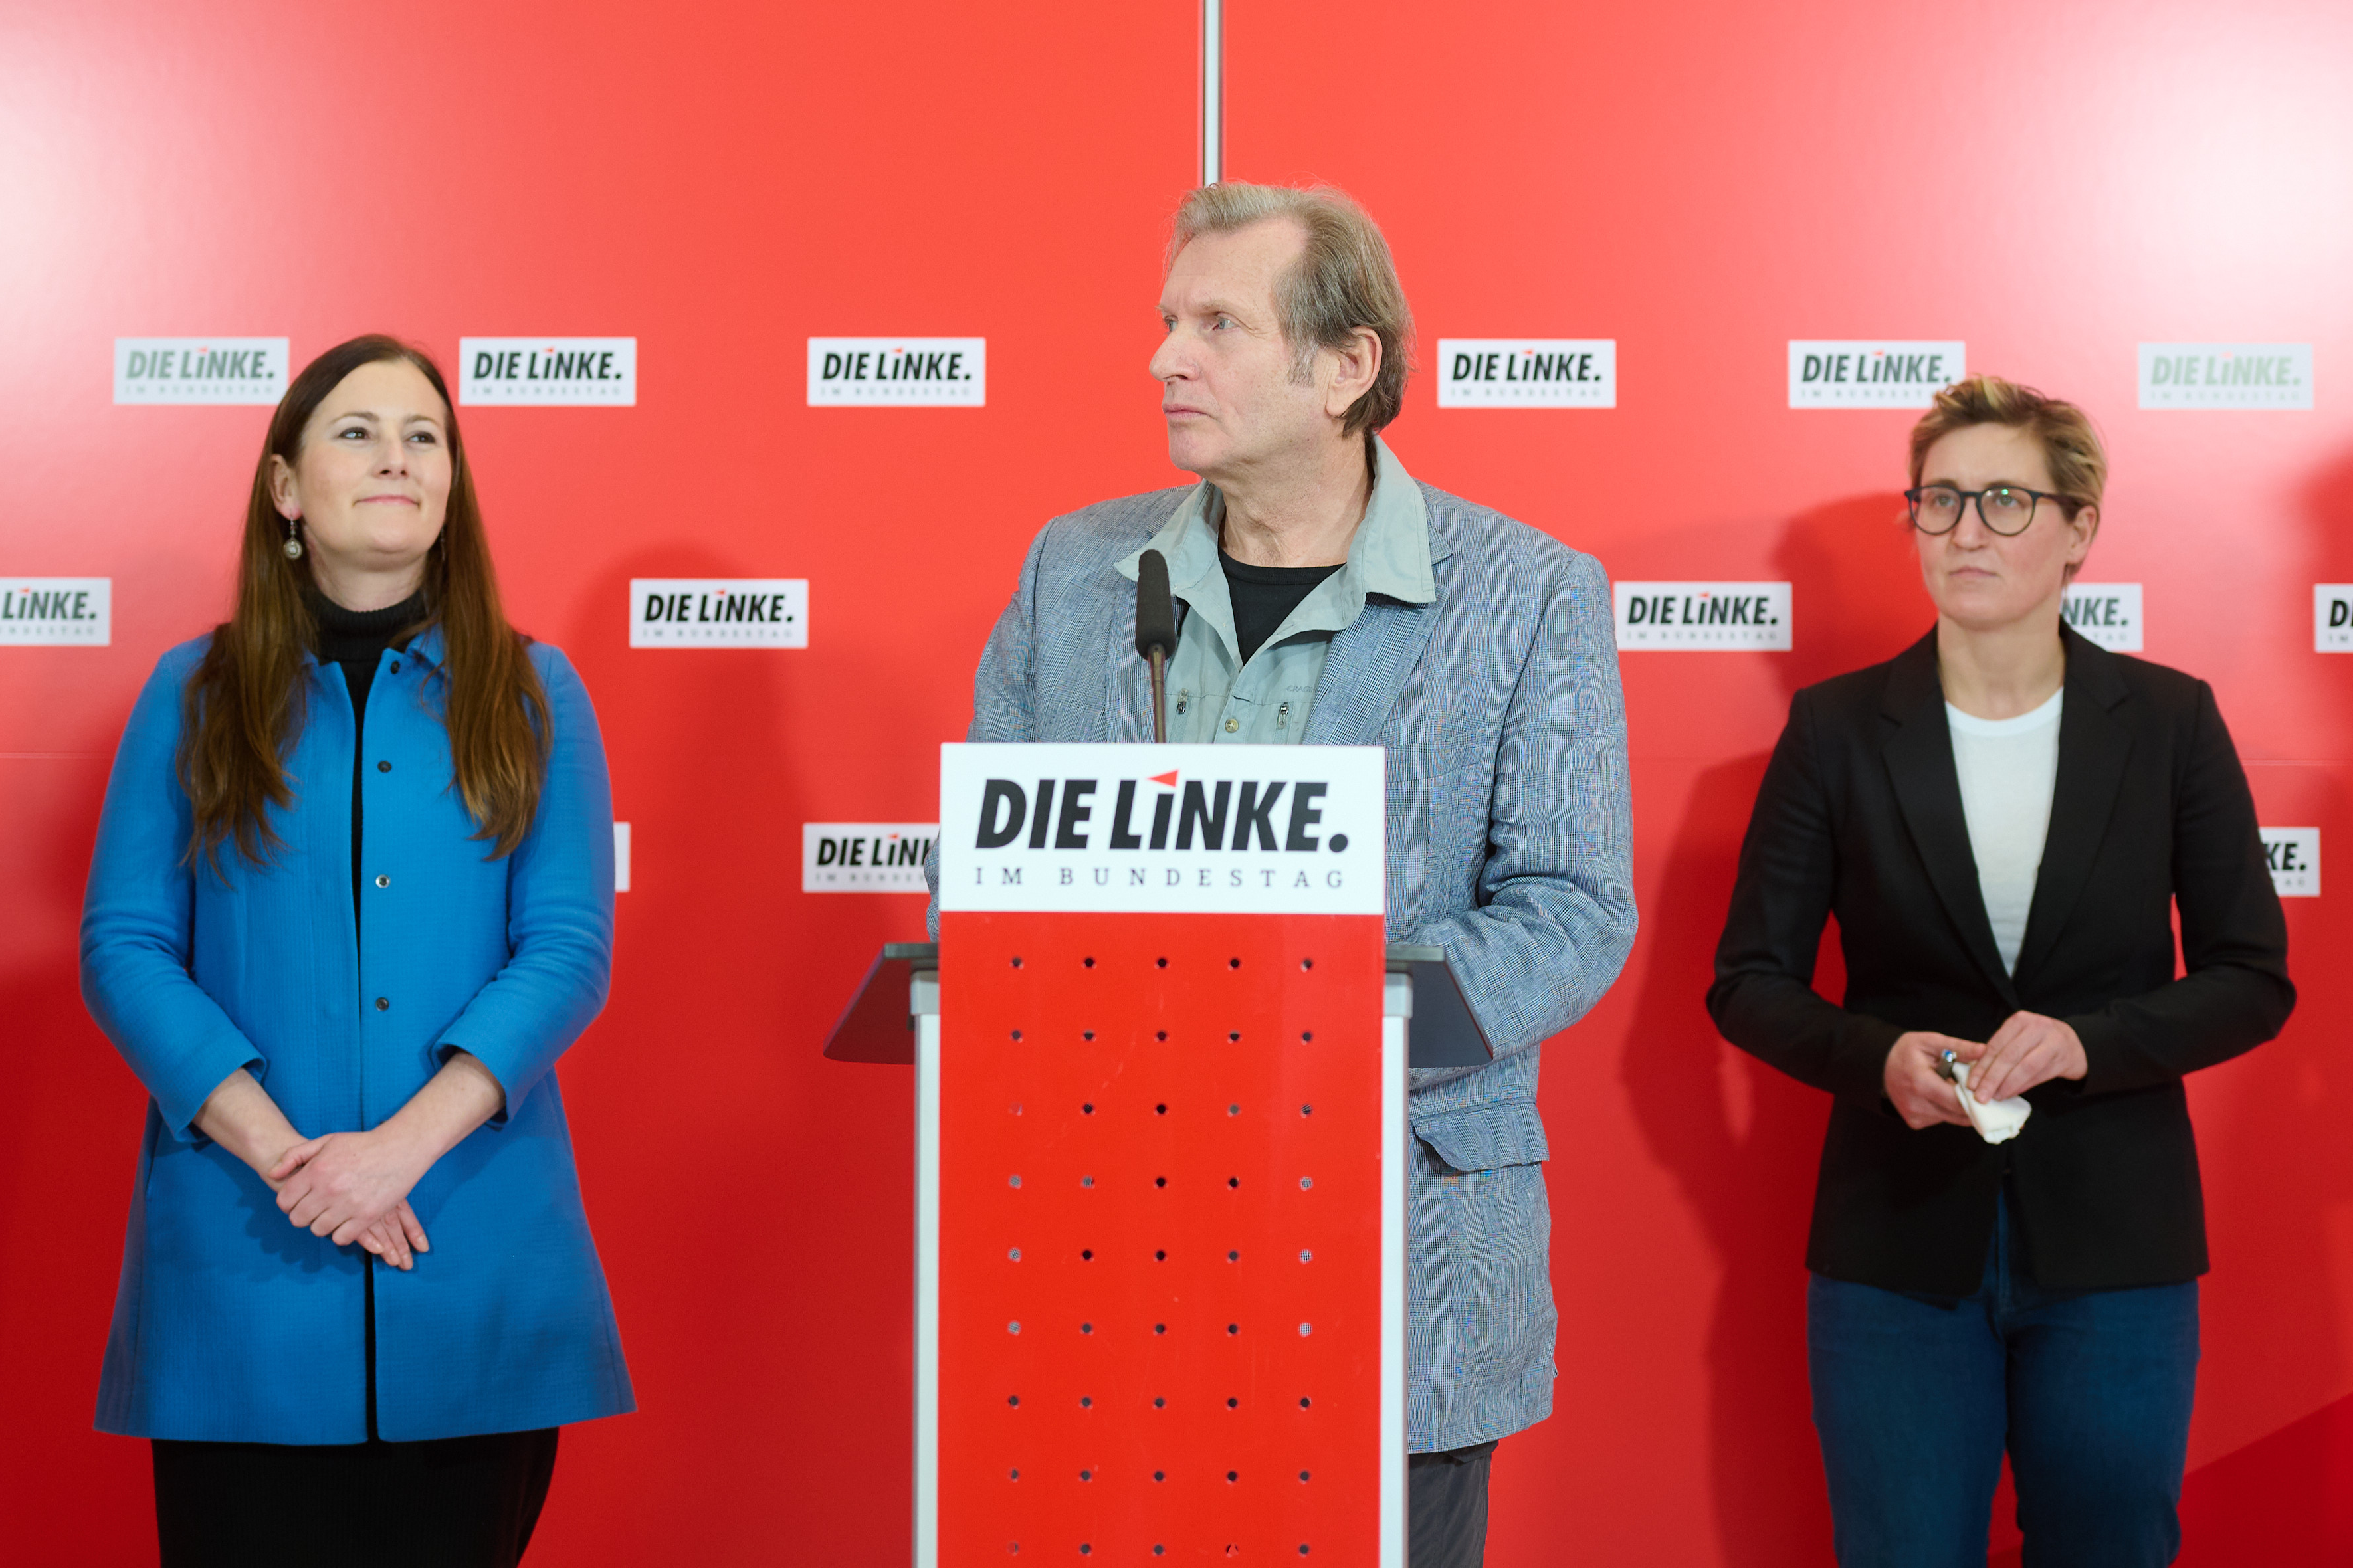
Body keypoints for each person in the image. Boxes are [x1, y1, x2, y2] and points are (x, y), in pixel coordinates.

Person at [931, 181, 1638, 1567]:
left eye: (1216, 324)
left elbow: (1568, 911)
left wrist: (1312, 1025)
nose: (1161, 359)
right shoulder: (1070, 570)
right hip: (1100, 1257)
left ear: (1345, 367)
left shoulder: (1526, 591)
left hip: (1394, 1249)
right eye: (1164, 321)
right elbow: (987, 876)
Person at [1708, 375, 2293, 1567]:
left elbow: (2251, 975)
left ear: (2081, 530)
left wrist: (2091, 1040)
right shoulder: (1834, 728)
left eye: (2006, 502)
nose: (1967, 530)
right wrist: (1879, 1059)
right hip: (1896, 1251)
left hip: (2116, 1249)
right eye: (1940, 500)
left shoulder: (2173, 722)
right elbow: (1748, 981)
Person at [81, 335, 633, 1566]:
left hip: (469, 1255)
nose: (397, 457)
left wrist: (392, 1158)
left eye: (424, 436)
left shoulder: (538, 693)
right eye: (357, 431)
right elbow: (123, 948)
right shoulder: (194, 692)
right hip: (242, 1264)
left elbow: (565, 952)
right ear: (287, 488)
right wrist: (297, 1164)